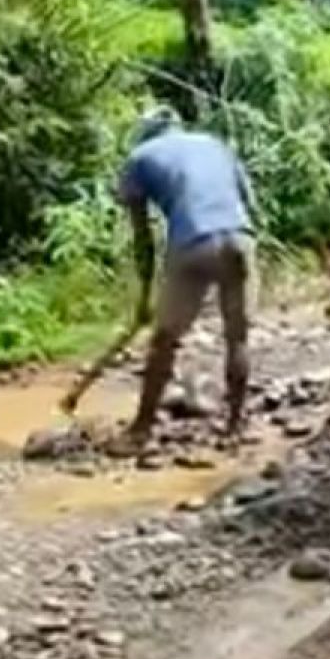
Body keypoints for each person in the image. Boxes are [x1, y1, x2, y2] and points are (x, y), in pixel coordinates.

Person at [116, 106, 256, 452]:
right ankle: (235, 427)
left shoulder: (139, 158)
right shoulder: (214, 142)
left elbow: (143, 235)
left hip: (193, 242)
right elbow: (248, 201)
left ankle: (140, 430)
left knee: (165, 341)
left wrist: (146, 294)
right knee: (237, 338)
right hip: (240, 237)